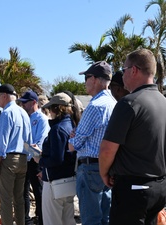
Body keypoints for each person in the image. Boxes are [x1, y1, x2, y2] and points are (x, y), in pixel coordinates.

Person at [99, 48, 166, 225]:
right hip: (159, 188)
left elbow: (107, 150)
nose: (122, 76)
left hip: (134, 189)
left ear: (134, 70)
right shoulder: (163, 102)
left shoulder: (129, 103)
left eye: (124, 69)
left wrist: (104, 173)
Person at [68, 61, 116, 225]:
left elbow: (75, 144)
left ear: (95, 79)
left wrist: (72, 138)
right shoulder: (114, 104)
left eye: (86, 78)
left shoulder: (94, 106)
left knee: (91, 220)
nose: (85, 82)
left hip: (90, 169)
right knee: (105, 218)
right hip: (108, 168)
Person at [34, 91, 81, 225]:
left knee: (52, 221)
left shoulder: (57, 129)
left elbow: (56, 159)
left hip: (54, 182)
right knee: (68, 220)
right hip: (69, 181)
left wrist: (41, 160)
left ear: (56, 108)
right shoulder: (71, 125)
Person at [0, 84, 32, 225]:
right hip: (23, 159)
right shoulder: (24, 113)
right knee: (19, 199)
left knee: (6, 199)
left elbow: (2, 142)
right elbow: (29, 141)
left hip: (9, 158)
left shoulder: (7, 113)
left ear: (4, 96)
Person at [17, 90, 49, 225]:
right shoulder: (25, 118)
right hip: (25, 159)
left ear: (34, 103)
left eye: (25, 103)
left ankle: (41, 219)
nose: (23, 105)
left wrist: (25, 146)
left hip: (36, 160)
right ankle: (26, 220)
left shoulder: (42, 119)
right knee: (23, 191)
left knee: (39, 192)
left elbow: (39, 144)